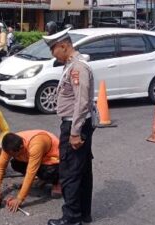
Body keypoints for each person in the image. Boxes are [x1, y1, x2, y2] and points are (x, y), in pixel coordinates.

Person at [44, 28, 95, 225]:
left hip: (75, 125)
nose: (52, 54)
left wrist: (74, 133)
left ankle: (72, 217)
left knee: (70, 172)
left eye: (53, 49)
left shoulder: (77, 68)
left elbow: (81, 103)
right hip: (80, 124)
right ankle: (83, 214)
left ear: (64, 46)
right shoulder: (73, 64)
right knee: (81, 170)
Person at [0, 130, 62, 212]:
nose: (11, 156)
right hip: (38, 159)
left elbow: (31, 173)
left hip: (55, 162)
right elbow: (1, 167)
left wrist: (19, 198)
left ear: (21, 147)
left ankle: (57, 182)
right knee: (15, 164)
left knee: (49, 172)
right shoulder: (9, 144)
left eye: (14, 154)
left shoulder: (36, 144)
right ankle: (42, 178)